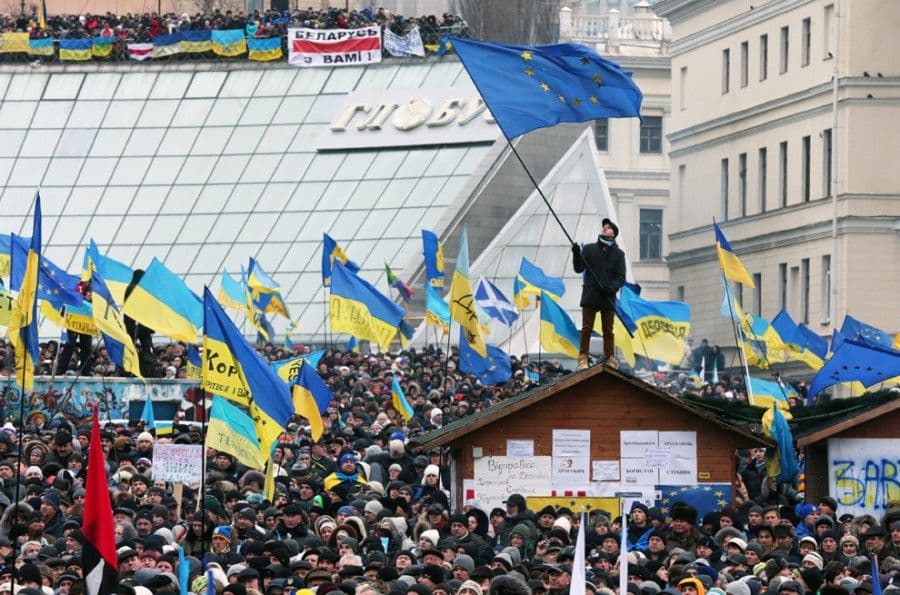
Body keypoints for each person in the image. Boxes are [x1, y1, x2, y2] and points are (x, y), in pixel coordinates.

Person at [571, 217, 626, 370]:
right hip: (591, 294)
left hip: (607, 296)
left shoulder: (618, 254)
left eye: (608, 227)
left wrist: (610, 288)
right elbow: (578, 268)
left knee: (608, 330)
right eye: (604, 227)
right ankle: (583, 357)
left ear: (613, 233)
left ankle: (609, 358)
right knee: (586, 328)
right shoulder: (589, 249)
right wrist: (576, 254)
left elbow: (620, 277)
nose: (604, 229)